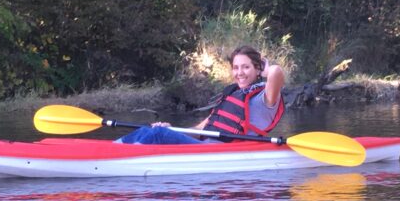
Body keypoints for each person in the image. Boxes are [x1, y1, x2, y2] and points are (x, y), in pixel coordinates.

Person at [117, 45, 285, 144]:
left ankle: (116, 155)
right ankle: (112, 148)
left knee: (157, 135)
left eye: (246, 67)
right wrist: (174, 130)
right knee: (150, 130)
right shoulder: (232, 94)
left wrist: (265, 70)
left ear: (258, 69)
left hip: (223, 152)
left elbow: (276, 71)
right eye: (236, 67)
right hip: (203, 146)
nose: (239, 72)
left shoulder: (265, 98)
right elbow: (199, 129)